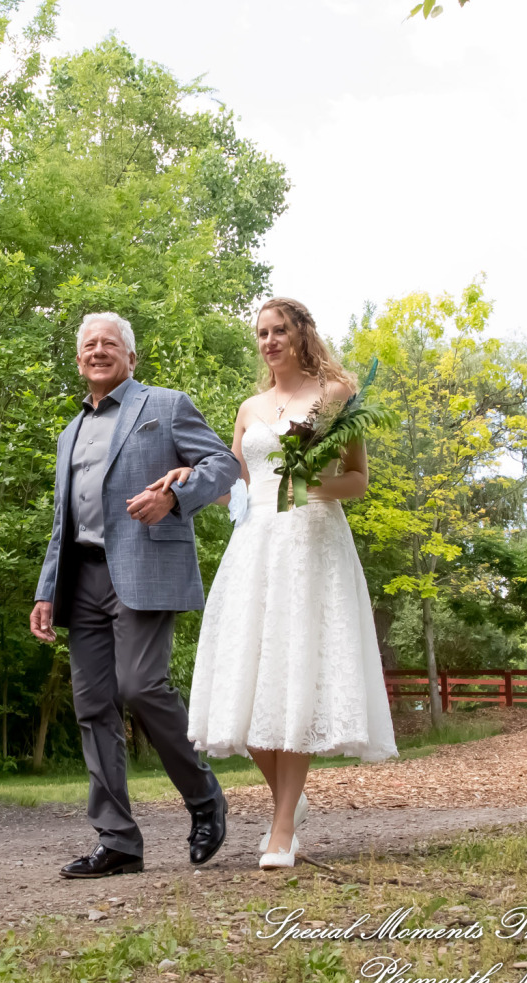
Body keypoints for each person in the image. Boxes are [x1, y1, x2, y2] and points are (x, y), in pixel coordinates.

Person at [152, 297, 398, 870]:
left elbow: (358, 480)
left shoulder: (336, 395)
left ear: (300, 333)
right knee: (252, 682)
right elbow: (231, 484)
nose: (268, 341)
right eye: (261, 333)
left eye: (278, 330)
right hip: (255, 544)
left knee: (294, 675)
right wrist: (185, 475)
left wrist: (314, 486)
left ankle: (283, 827)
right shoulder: (248, 407)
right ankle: (292, 799)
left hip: (312, 542)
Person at [29, 312, 241, 880]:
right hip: (83, 578)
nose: (98, 351)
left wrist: (177, 496)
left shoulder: (164, 407)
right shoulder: (68, 433)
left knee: (141, 685)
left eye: (110, 344)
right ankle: (118, 839)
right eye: (89, 345)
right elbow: (62, 522)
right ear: (79, 360)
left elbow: (225, 466)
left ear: (130, 357)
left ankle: (203, 797)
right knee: (93, 706)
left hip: (146, 565)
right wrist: (46, 589)